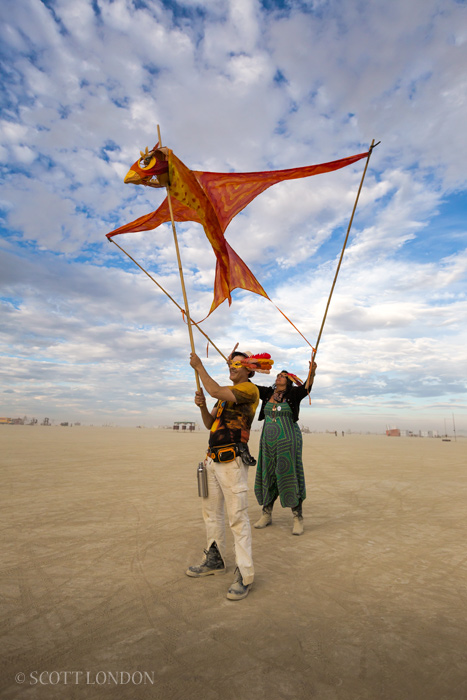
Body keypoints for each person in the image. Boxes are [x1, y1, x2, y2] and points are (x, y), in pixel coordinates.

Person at [186, 350, 271, 601]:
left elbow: (213, 390)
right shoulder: (223, 396)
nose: (231, 366)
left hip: (232, 461)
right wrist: (202, 408)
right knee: (211, 514)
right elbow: (209, 424)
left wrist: (199, 366)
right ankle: (215, 560)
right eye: (230, 363)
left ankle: (245, 573)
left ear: (249, 370)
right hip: (212, 459)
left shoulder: (249, 390)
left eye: (237, 363)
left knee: (237, 518)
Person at [254, 361, 316, 536]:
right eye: (278, 375)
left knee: (288, 474)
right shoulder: (267, 393)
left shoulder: (293, 394)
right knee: (268, 474)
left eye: (283, 375)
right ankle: (266, 514)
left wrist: (312, 372)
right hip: (267, 442)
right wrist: (239, 366)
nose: (279, 376)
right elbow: (249, 386)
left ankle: (298, 517)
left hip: (288, 441)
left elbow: (306, 388)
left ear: (288, 381)